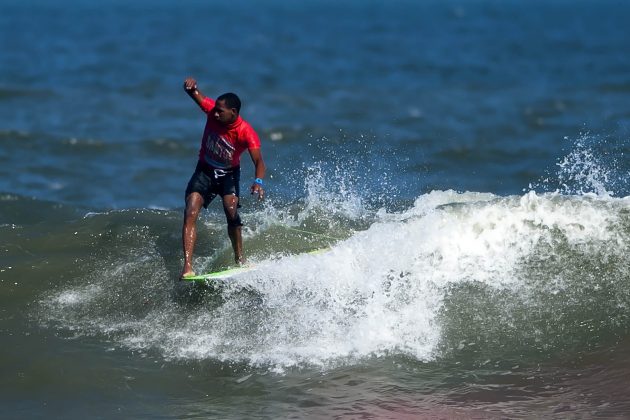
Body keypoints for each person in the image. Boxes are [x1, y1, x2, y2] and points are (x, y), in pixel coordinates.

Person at [180, 77, 266, 279]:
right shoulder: (212, 112)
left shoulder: (246, 133)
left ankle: (240, 258)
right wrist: (191, 88)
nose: (215, 113)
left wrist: (258, 181)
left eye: (220, 111)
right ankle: (187, 266)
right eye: (215, 109)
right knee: (191, 209)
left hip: (228, 175)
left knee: (231, 211)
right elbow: (195, 95)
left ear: (233, 113)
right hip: (204, 171)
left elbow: (259, 162)